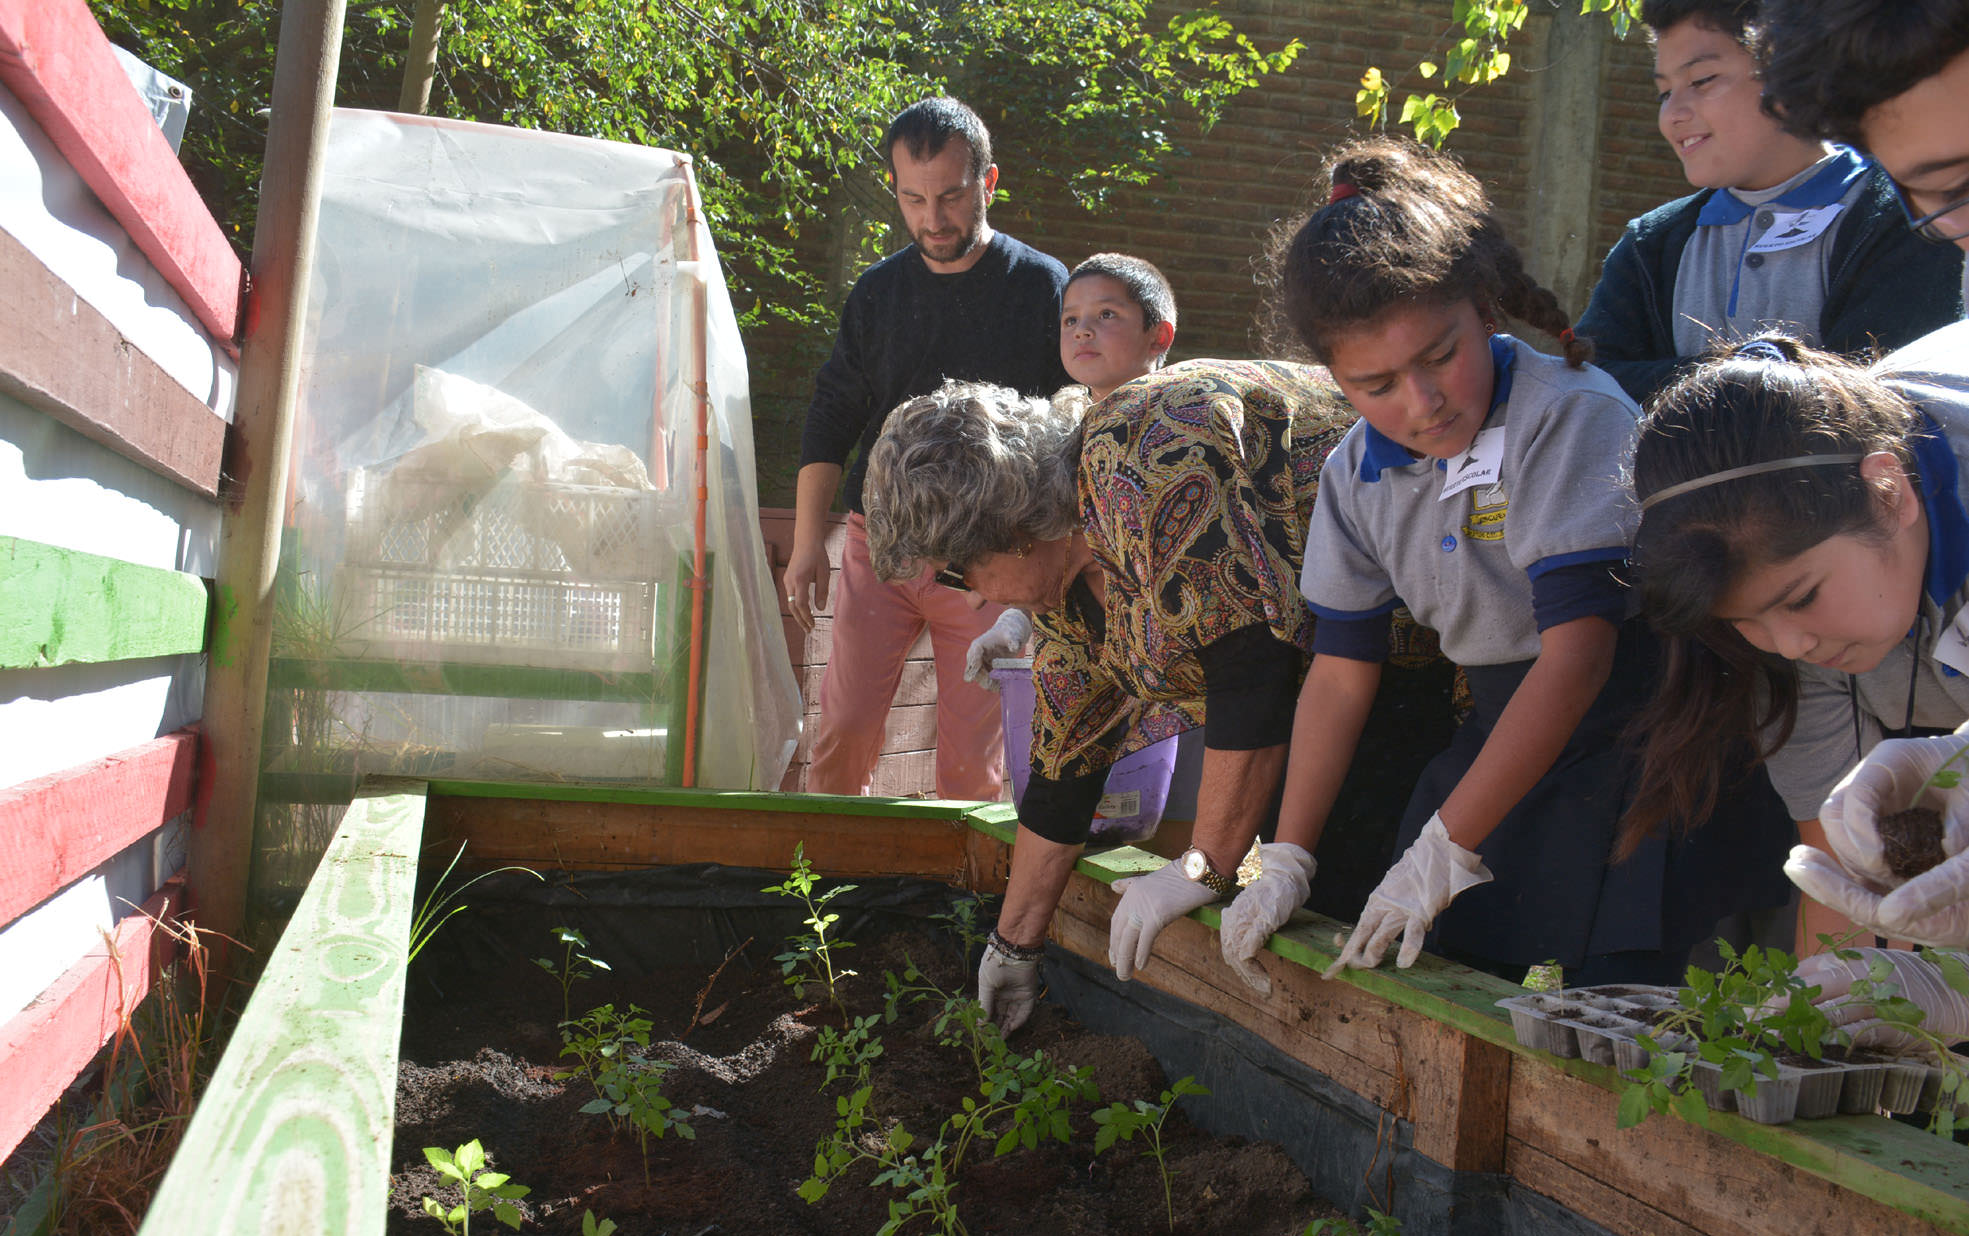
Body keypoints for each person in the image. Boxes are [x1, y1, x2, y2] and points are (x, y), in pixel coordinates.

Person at [1221, 137, 1792, 989]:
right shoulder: (1355, 474)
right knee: (1444, 972)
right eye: (1375, 385)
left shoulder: (1568, 416)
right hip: (1502, 733)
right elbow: (1338, 674)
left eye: (1437, 357)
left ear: (1485, 311)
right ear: (1334, 377)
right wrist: (1288, 858)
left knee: (1623, 1004)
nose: (1421, 404)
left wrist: (1445, 848)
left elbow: (1577, 657)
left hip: (1649, 735)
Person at [861, 359, 1362, 1031]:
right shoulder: (1065, 586)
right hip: (1346, 676)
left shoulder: (1143, 452)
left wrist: (1204, 867)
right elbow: (1062, 774)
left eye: (961, 574)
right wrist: (1014, 943)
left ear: (1011, 534)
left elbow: (1252, 667)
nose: (974, 599)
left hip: (1442, 613)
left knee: (1363, 885)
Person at [1623, 325, 1969, 950]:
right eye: (1742, 620)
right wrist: (1854, 991)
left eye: (1802, 597)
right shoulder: (1788, 630)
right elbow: (1846, 883)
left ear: (1888, 493)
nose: (1787, 646)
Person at [785, 96, 1069, 801]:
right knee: (842, 728)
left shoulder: (1041, 287)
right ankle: (825, 861)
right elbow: (831, 414)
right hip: (878, 543)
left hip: (990, 557)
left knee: (974, 759)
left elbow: (1071, 427)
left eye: (950, 196)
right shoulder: (877, 292)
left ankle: (956, 875)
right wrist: (805, 543)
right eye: (913, 199)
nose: (932, 219)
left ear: (988, 182)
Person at [1572, 0, 1959, 408]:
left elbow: (1877, 403)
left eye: (1701, 80)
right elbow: (1592, 383)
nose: (1673, 115)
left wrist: (1687, 382)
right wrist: (1755, 372)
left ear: (1790, 70)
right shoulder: (1651, 243)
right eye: (1664, 93)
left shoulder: (1905, 214)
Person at [960, 253, 1181, 689]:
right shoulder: (1058, 433)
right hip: (1084, 652)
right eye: (1070, 320)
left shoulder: (1180, 430)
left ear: (1159, 336)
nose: (1082, 330)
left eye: (1106, 314)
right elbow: (1049, 550)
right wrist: (1013, 624)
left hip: (1174, 650)